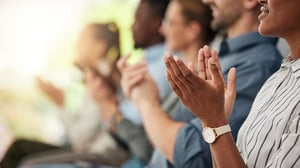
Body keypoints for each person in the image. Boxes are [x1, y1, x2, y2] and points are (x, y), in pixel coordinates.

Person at [117, 0, 283, 167]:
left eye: (169, 22)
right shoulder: (224, 57)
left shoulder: (256, 66)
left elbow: (193, 155)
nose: (206, 1)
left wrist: (146, 102)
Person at [163, 0, 300, 167]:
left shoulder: (260, 66)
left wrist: (215, 122)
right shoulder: (276, 80)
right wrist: (213, 122)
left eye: (169, 22)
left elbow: (193, 158)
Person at [0, 23, 130, 168]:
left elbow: (79, 139)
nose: (77, 47)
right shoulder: (99, 77)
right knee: (20, 149)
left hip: (94, 157)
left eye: (82, 41)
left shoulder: (102, 82)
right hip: (86, 151)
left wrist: (59, 104)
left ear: (100, 46)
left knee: (22, 156)